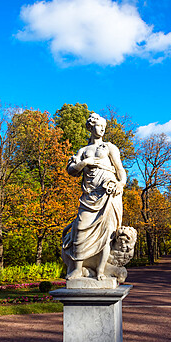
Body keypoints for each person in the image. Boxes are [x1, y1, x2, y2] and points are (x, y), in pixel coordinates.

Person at [62, 113, 126, 280]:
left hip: (107, 195)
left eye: (104, 126)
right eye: (99, 125)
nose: (102, 129)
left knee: (106, 234)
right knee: (79, 230)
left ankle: (100, 271)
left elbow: (120, 171)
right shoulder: (83, 151)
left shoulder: (110, 147)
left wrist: (120, 184)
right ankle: (76, 268)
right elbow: (71, 171)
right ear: (90, 127)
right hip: (89, 196)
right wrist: (85, 163)